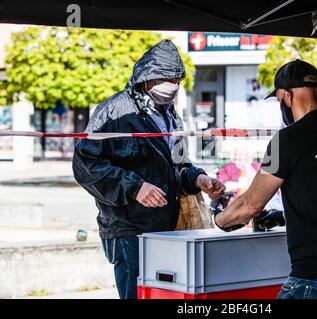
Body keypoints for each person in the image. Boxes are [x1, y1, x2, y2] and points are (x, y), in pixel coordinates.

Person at [72, 40, 225, 299]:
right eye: (166, 78)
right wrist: (134, 187)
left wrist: (198, 178)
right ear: (146, 77)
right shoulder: (113, 111)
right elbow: (86, 165)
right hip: (128, 229)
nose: (173, 85)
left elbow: (177, 165)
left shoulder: (169, 114)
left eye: (177, 78)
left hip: (166, 229)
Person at [214, 59, 317, 299]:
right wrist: (287, 216)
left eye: (278, 100)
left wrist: (221, 219)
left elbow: (251, 204)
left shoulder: (285, 140)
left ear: (286, 95)